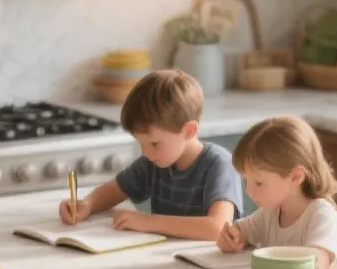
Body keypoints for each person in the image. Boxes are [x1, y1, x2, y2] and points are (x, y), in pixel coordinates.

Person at [59, 70, 241, 241]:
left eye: (154, 143)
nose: (145, 152)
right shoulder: (154, 161)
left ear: (188, 131)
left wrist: (147, 221)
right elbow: (115, 190)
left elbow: (217, 227)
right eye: (141, 143)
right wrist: (88, 204)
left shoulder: (219, 164)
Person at [216, 116, 337, 269]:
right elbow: (243, 232)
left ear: (296, 177)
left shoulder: (322, 215)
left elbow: (315, 265)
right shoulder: (271, 212)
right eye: (246, 180)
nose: (248, 191)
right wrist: (233, 238)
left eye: (259, 183)